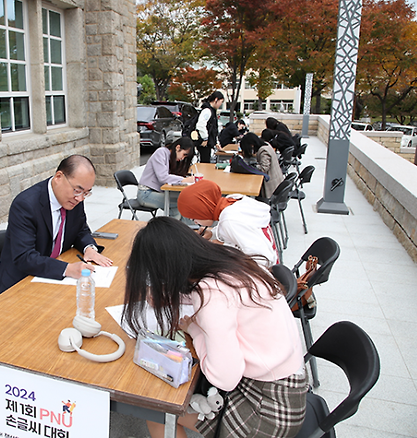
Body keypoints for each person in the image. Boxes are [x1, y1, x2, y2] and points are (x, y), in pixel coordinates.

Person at [122, 217, 306, 438]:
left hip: (268, 410)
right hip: (285, 382)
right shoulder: (228, 259)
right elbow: (219, 298)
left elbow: (223, 378)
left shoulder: (212, 294)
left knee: (158, 412)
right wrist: (171, 295)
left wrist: (195, 330)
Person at [0, 155, 113, 295]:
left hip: (52, 280)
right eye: (77, 190)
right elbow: (24, 257)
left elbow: (80, 229)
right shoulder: (26, 205)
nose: (80, 198)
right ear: (58, 177)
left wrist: (89, 249)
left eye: (86, 193)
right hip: (20, 284)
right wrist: (67, 269)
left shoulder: (73, 200)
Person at [177, 180, 279, 267]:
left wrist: (223, 247)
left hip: (263, 272)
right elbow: (240, 230)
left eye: (194, 218)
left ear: (202, 210)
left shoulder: (230, 220)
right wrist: (212, 234)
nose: (195, 222)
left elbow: (262, 258)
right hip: (272, 260)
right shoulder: (232, 202)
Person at [137, 137, 195, 220]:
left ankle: (177, 230)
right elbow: (163, 177)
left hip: (158, 191)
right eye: (184, 154)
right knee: (183, 202)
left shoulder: (171, 157)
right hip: (146, 194)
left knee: (179, 206)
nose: (183, 158)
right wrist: (183, 180)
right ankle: (189, 230)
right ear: (178, 147)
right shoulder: (161, 153)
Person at [240, 132, 285, 199]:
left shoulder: (264, 151)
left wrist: (250, 166)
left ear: (251, 145)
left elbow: (263, 169)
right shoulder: (266, 144)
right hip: (277, 183)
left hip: (272, 188)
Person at [195, 91, 225, 163]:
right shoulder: (207, 111)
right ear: (216, 100)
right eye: (221, 102)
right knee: (204, 162)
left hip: (208, 143)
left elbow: (213, 129)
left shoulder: (212, 111)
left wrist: (216, 142)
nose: (220, 104)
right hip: (204, 143)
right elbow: (200, 125)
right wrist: (205, 138)